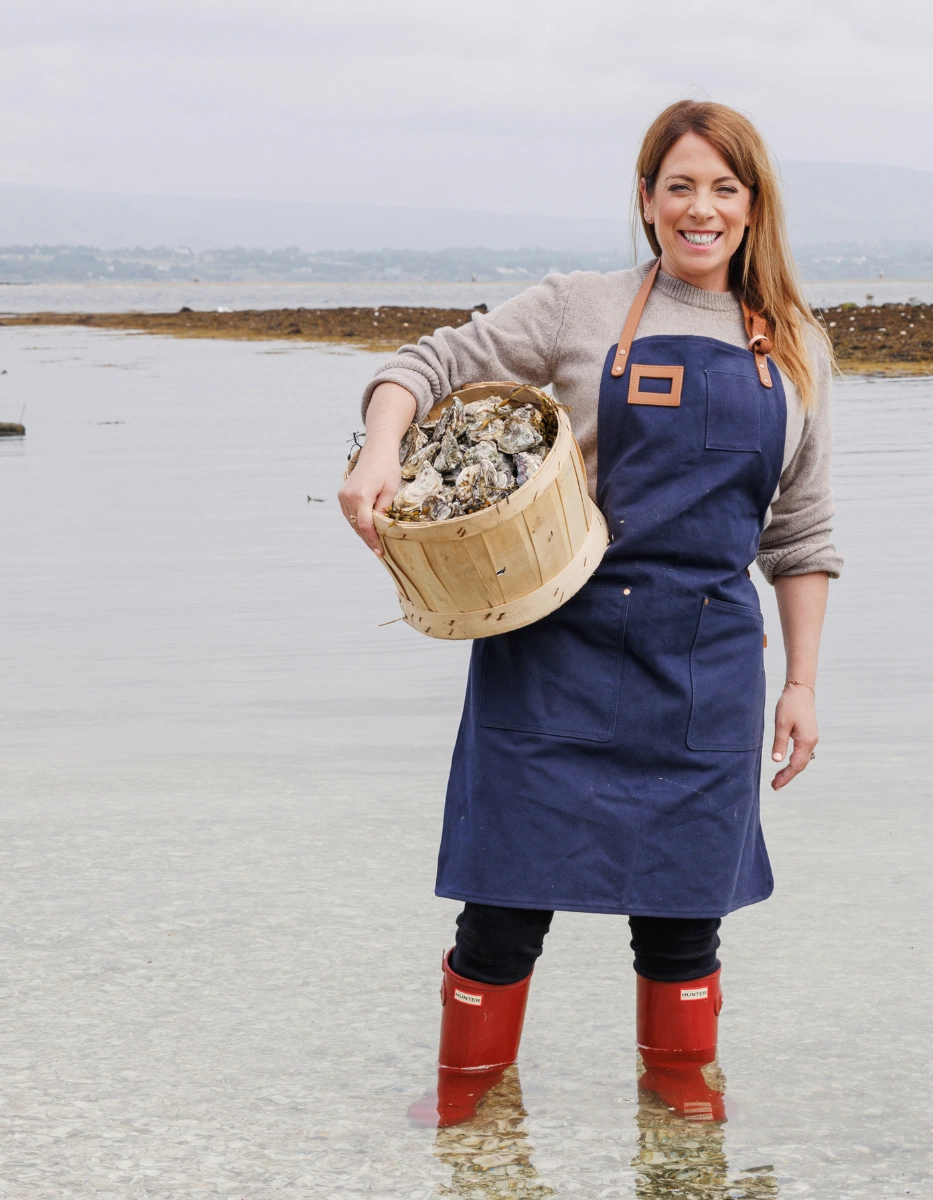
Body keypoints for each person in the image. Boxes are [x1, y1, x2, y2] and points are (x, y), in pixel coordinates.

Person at [338, 99, 842, 1128]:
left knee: (683, 929)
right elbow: (422, 366)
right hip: (551, 653)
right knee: (502, 919)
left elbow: (800, 536)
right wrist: (380, 445)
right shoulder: (580, 308)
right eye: (679, 186)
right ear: (647, 201)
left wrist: (800, 685)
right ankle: (469, 1133)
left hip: (702, 669)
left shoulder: (793, 350)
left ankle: (684, 1145)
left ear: (754, 207)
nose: (701, 209)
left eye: (724, 189)